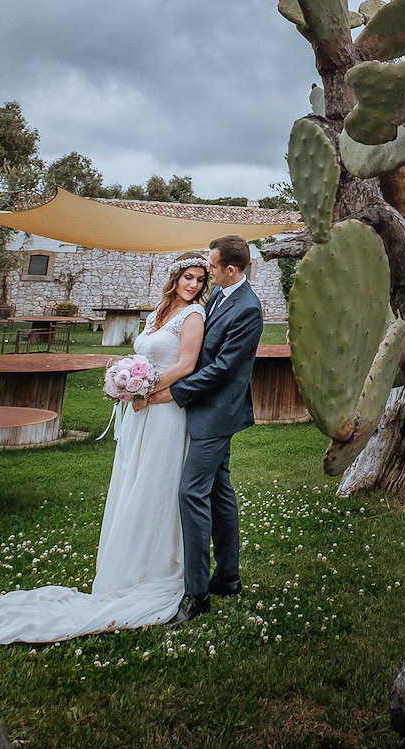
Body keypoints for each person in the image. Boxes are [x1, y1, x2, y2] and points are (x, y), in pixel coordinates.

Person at [0, 258, 209, 648]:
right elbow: (144, 355)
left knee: (156, 481)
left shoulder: (194, 315)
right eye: (188, 277)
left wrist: (144, 389)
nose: (193, 284)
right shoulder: (158, 312)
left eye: (200, 280)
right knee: (133, 478)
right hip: (140, 411)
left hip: (165, 411)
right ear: (175, 278)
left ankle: (154, 565)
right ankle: (126, 561)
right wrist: (127, 380)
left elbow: (186, 365)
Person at [164, 233, 265, 626]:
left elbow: (224, 368)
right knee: (220, 491)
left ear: (232, 270)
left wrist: (176, 391)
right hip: (206, 408)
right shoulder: (220, 295)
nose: (207, 270)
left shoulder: (248, 309)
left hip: (218, 414)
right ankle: (228, 576)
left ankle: (196, 593)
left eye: (213, 265)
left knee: (191, 492)